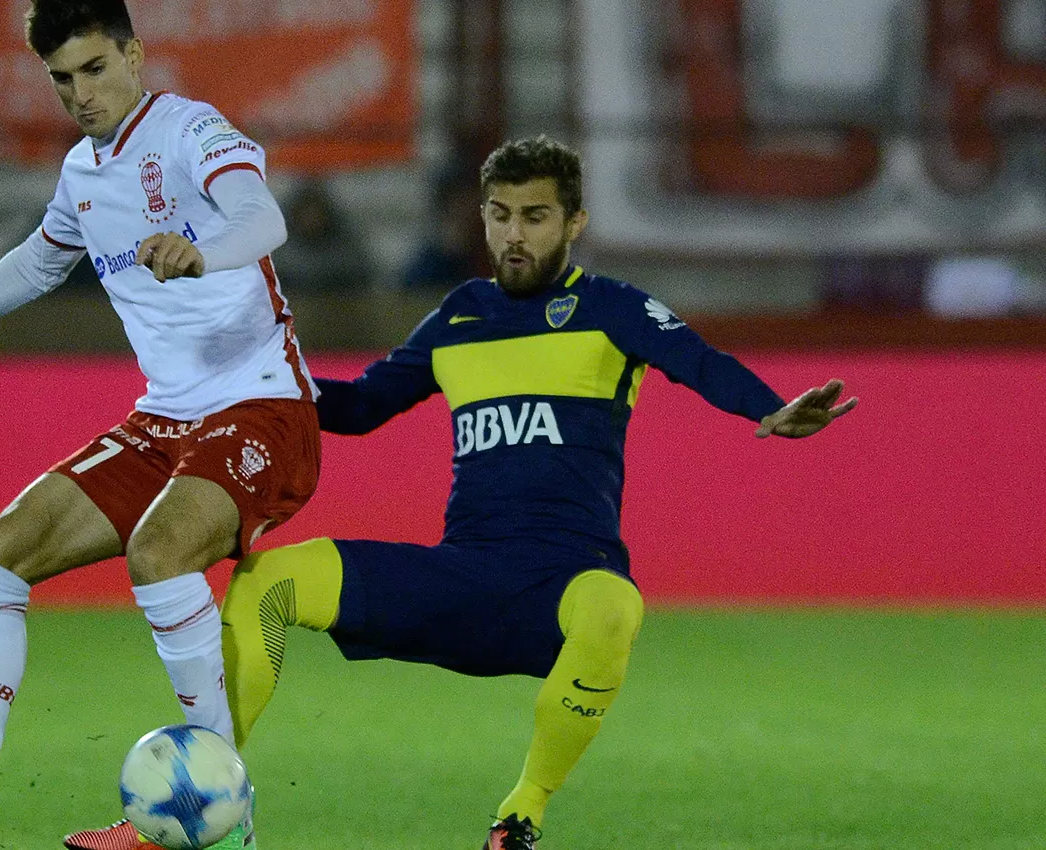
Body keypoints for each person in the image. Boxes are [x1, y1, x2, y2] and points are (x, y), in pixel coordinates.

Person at [217, 136, 857, 850]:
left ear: (575, 222)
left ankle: (522, 813)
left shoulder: (612, 308)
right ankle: (211, 784)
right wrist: (263, 385)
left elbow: (698, 361)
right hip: (464, 576)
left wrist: (768, 409)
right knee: (268, 578)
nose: (513, 235)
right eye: (499, 215)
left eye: (535, 216)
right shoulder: (461, 315)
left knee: (615, 606)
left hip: (562, 583)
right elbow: (364, 406)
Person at [0, 3, 318, 850]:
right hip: (166, 420)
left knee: (159, 552)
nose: (80, 93)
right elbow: (36, 262)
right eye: (62, 78)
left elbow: (262, 218)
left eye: (94, 69)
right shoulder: (83, 174)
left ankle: (225, 814)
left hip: (265, 407)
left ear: (134, 55)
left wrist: (205, 249)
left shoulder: (190, 129)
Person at [271, 176, 373, 293]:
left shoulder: (346, 248)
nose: (311, 219)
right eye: (306, 213)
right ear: (295, 214)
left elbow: (359, 277)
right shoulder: (280, 251)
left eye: (315, 212)